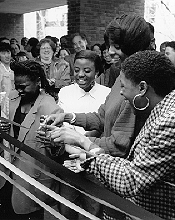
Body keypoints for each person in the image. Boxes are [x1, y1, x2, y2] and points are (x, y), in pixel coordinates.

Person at [51, 51, 175, 220]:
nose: (120, 93)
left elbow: (132, 179)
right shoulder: (166, 107)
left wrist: (82, 140)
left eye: (124, 87)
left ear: (142, 87)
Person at [41, 13, 153, 220]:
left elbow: (119, 146)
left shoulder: (136, 86)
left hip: (119, 180)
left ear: (136, 48)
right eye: (110, 45)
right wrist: (68, 117)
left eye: (117, 47)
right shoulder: (122, 75)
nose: (110, 52)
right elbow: (102, 117)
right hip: (104, 169)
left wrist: (77, 139)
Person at [0, 60, 63, 220]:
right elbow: (4, 137)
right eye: (16, 85)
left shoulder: (50, 108)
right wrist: (0, 130)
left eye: (23, 86)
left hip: (31, 180)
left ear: (38, 82)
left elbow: (58, 150)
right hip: (6, 176)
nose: (18, 90)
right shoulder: (11, 98)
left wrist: (52, 142)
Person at [57, 50, 110, 218]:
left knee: (93, 210)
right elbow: (63, 126)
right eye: (77, 69)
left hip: (94, 161)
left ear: (97, 72)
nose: (81, 75)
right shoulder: (65, 92)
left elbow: (103, 127)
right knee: (66, 208)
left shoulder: (107, 94)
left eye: (87, 71)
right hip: (69, 159)